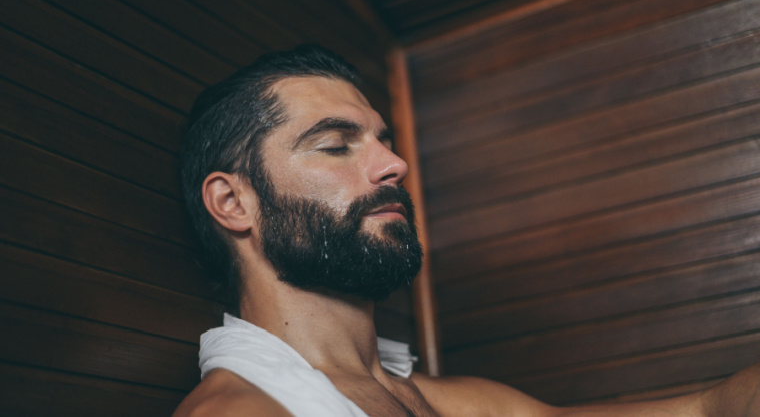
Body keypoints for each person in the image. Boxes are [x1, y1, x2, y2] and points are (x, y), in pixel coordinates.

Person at [173, 45, 759, 416]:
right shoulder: (242, 411)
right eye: (334, 145)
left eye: (384, 141)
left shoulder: (443, 402)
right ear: (233, 201)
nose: (393, 166)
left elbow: (705, 411)